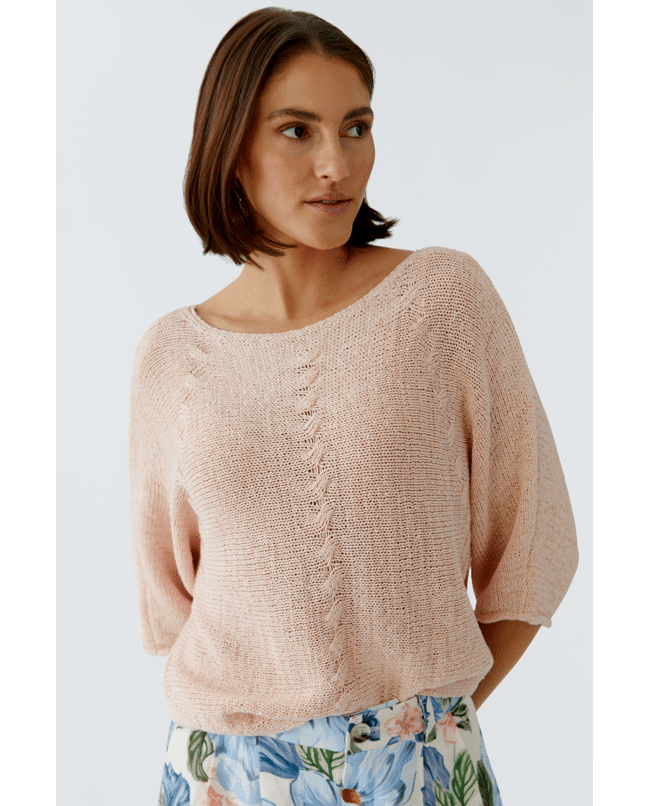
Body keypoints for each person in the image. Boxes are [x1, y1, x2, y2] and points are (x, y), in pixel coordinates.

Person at [128, 8, 579, 806]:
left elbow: (534, 548)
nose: (336, 164)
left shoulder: (441, 300)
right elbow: (170, 603)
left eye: (356, 128)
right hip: (222, 772)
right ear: (231, 149)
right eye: (296, 131)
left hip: (415, 759)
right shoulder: (171, 356)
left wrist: (429, 721)